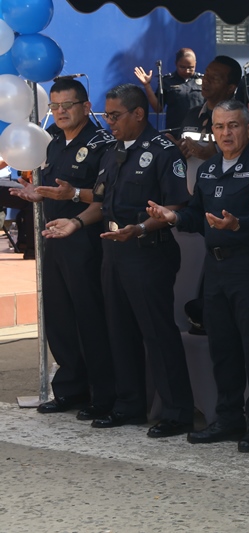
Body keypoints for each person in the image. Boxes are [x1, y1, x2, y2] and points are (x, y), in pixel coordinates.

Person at [44, 83, 196, 438]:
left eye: (115, 116)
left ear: (138, 114)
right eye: (108, 116)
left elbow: (176, 205)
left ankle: (176, 412)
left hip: (147, 250)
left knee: (157, 333)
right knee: (119, 332)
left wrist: (141, 227)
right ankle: (128, 404)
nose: (109, 122)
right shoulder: (114, 151)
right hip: (113, 250)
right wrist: (75, 222)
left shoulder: (163, 151)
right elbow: (100, 202)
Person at [146, 100, 249, 452]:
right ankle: (228, 418)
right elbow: (196, 215)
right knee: (222, 348)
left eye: (233, 125)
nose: (225, 133)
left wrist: (239, 225)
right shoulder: (208, 169)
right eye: (219, 127)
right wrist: (174, 217)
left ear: (248, 129)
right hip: (216, 269)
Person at [10, 79, 116, 419]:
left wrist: (72, 196)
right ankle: (70, 389)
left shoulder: (101, 144)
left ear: (86, 106)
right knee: (59, 318)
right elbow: (52, 189)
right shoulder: (53, 142)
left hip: (86, 240)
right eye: (54, 106)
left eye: (67, 106)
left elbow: (107, 195)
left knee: (89, 317)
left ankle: (102, 394)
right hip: (54, 239)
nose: (60, 112)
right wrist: (36, 193)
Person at [179, 55, 249, 164]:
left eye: (215, 78)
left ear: (230, 88)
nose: (206, 80)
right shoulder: (192, 114)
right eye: (206, 74)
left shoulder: (246, 121)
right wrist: (177, 152)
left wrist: (215, 158)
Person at [134, 48, 204, 132]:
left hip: (199, 131)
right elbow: (158, 108)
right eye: (182, 67)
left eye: (191, 67)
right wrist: (147, 85)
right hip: (175, 132)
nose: (186, 71)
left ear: (195, 64)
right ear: (176, 64)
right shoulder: (167, 81)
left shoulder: (204, 81)